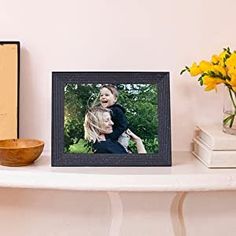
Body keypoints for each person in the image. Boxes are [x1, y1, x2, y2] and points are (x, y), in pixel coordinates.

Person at [98, 84, 130, 150]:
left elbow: (123, 125)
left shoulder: (117, 110)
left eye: (107, 95)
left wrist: (109, 137)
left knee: (120, 150)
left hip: (121, 134)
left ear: (115, 99)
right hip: (111, 134)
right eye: (101, 95)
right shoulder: (103, 111)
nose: (103, 97)